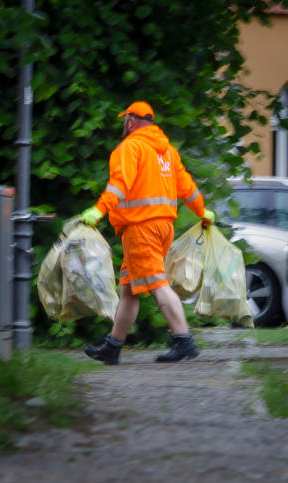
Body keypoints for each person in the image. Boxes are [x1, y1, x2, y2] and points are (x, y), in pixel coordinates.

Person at [80, 101, 215, 365]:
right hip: (163, 227)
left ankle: (184, 340)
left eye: (124, 120)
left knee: (156, 284)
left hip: (141, 228)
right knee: (130, 290)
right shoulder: (167, 152)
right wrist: (202, 211)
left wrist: (99, 210)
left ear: (130, 121)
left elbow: (119, 185)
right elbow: (187, 187)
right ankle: (113, 347)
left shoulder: (129, 148)